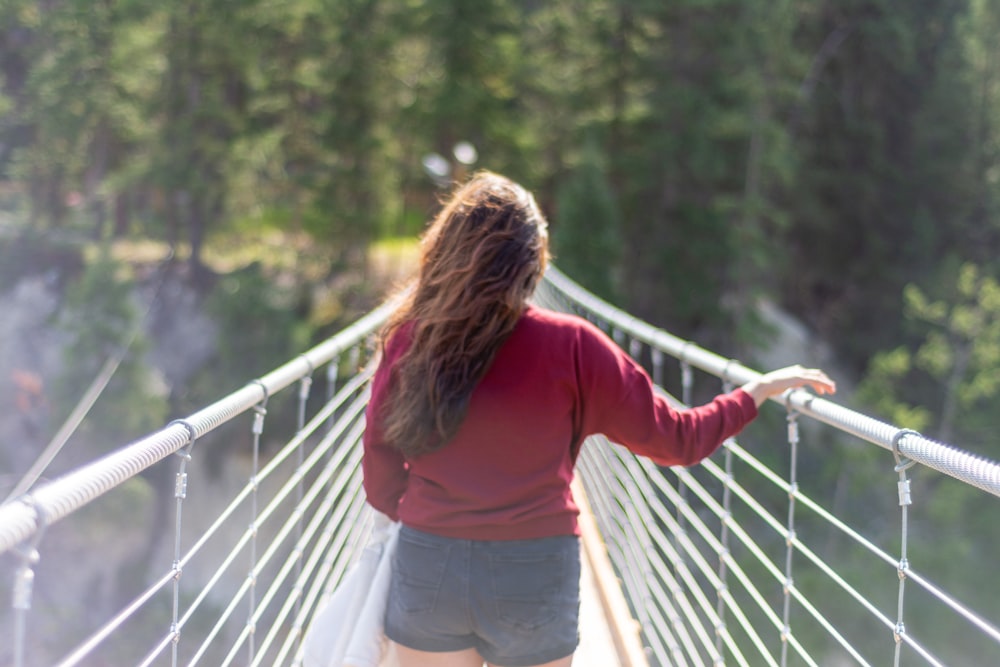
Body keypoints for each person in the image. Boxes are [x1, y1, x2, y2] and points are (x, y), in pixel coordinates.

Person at [362, 171, 835, 667]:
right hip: (534, 568)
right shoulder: (574, 346)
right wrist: (753, 393)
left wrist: (430, 519)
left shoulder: (411, 340)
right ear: (532, 262)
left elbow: (379, 467)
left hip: (431, 559)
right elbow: (678, 442)